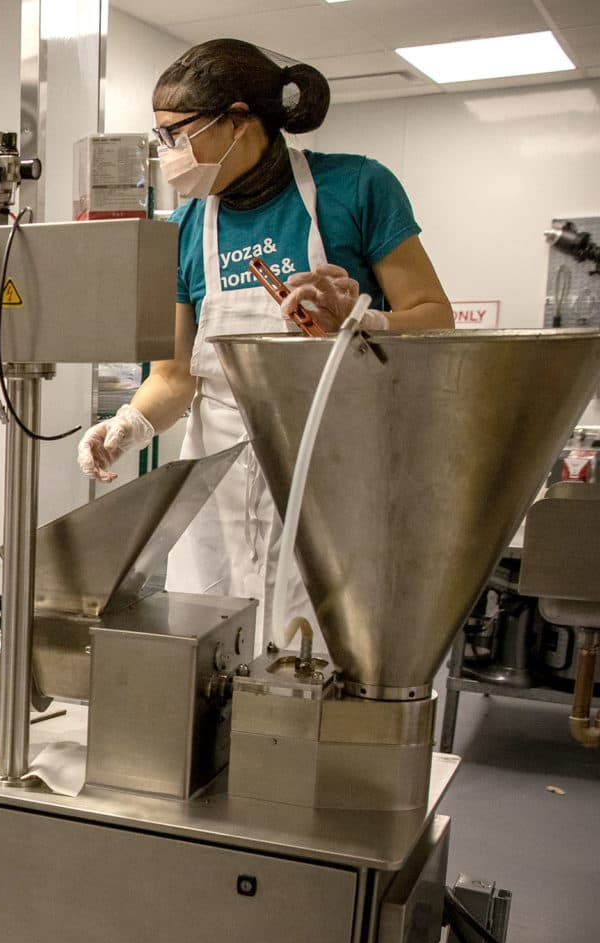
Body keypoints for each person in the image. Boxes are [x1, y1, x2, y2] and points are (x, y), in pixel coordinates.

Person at [77, 40, 451, 645]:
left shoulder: (356, 188)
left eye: (178, 133)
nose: (168, 154)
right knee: (209, 659)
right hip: (217, 495)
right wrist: (128, 427)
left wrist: (360, 323)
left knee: (319, 663)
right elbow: (175, 378)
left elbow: (435, 318)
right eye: (161, 137)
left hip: (334, 479)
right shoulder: (184, 230)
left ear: (239, 120)